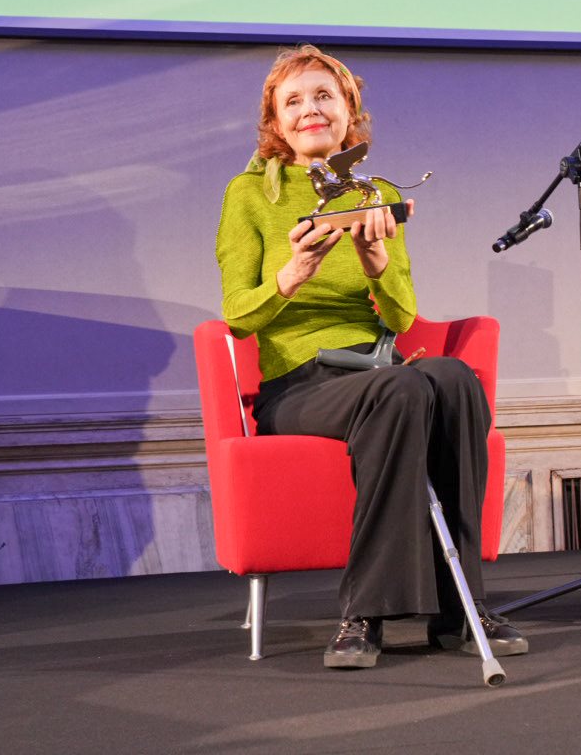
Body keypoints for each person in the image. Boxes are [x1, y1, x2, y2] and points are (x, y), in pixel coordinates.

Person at [215, 44, 527, 667]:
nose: (311, 110)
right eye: (294, 101)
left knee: (457, 379)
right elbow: (237, 315)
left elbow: (405, 317)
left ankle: (460, 605)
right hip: (298, 384)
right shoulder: (249, 196)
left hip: (373, 364)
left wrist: (376, 261)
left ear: (348, 111)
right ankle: (365, 615)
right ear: (275, 122)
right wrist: (291, 274)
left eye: (324, 96)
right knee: (404, 390)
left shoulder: (377, 192)